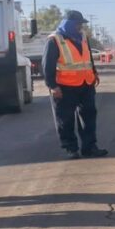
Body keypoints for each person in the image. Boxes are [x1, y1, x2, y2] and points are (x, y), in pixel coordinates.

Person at [43, 10, 108, 159]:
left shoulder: (82, 37)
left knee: (89, 116)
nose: (81, 27)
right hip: (65, 87)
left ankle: (90, 147)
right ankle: (71, 148)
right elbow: (47, 66)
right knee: (65, 119)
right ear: (70, 24)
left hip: (86, 84)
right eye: (78, 24)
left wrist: (94, 72)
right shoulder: (54, 40)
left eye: (81, 24)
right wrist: (53, 86)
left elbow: (88, 57)